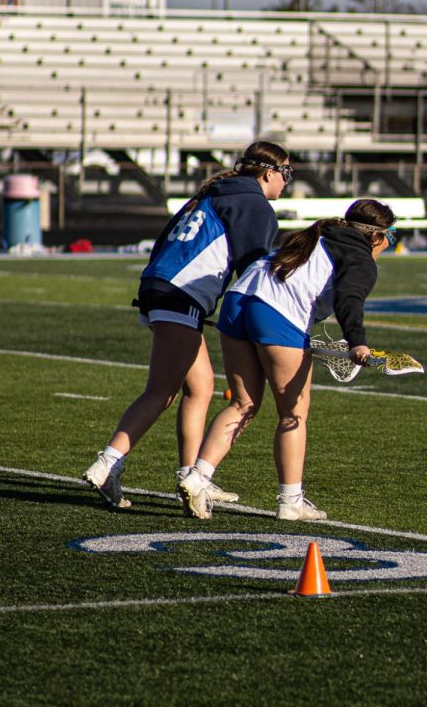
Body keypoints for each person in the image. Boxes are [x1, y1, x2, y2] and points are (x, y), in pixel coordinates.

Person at [81, 140, 292, 509]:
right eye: (286, 174)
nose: (287, 182)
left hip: (160, 285)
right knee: (161, 391)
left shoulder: (214, 190)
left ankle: (190, 478)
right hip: (183, 292)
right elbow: (253, 272)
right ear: (268, 172)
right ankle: (109, 463)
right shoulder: (254, 203)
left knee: (200, 386)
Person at [177, 198, 396, 522]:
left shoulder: (318, 234)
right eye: (390, 240)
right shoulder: (360, 257)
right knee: (293, 413)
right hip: (276, 313)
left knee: (242, 404)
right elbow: (350, 300)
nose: (387, 248)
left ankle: (197, 477)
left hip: (238, 302)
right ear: (377, 236)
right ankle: (290, 500)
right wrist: (358, 343)